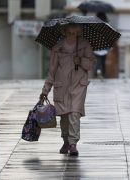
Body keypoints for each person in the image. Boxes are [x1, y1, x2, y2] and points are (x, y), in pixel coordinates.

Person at [39, 24, 95, 156]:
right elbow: (52, 71)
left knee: (74, 113)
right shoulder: (57, 48)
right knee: (64, 116)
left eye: (74, 32)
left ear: (78, 33)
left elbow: (91, 64)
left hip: (78, 86)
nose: (72, 35)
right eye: (69, 32)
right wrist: (45, 90)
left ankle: (73, 143)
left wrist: (80, 60)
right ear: (64, 32)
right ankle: (65, 140)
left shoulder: (85, 45)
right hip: (61, 86)